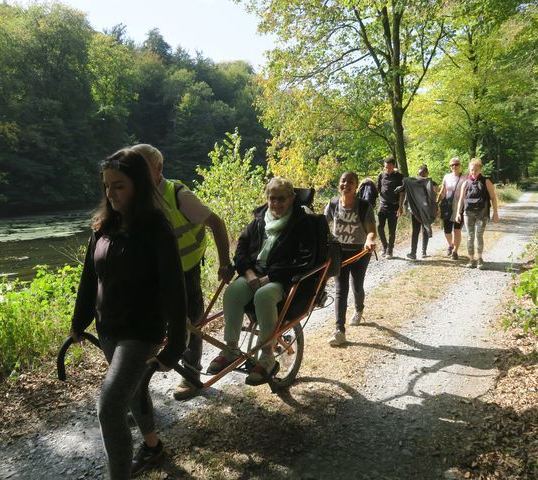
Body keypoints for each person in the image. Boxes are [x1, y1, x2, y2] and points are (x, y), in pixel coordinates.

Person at [69, 148, 187, 479]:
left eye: (119, 185)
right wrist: (79, 322)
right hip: (109, 329)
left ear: (138, 184)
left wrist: (175, 345)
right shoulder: (103, 226)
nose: (111, 193)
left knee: (108, 407)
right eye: (106, 186)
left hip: (142, 332)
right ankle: (153, 445)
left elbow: (174, 292)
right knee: (133, 392)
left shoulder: (156, 229)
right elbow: (90, 277)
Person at [132, 144, 234, 401]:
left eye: (141, 167)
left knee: (192, 321)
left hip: (185, 268)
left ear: (158, 169)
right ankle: (136, 385)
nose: (136, 173)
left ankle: (190, 373)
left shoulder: (178, 194)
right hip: (152, 273)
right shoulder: (134, 195)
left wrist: (224, 262)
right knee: (146, 323)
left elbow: (216, 223)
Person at [206, 177, 317, 385]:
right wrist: (248, 274)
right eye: (271, 199)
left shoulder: (303, 223)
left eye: (281, 199)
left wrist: (269, 277)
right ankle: (231, 348)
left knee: (264, 296)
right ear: (266, 199)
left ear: (292, 198)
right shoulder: (259, 219)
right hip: (254, 273)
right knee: (231, 294)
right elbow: (241, 249)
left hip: (283, 279)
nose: (276, 204)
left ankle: (267, 356)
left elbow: (304, 259)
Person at [324, 171, 377, 346]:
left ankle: (359, 308)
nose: (346, 184)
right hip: (339, 252)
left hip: (360, 252)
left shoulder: (363, 206)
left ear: (356, 186)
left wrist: (369, 241)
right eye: (343, 181)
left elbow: (371, 230)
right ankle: (340, 330)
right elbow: (322, 226)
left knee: (357, 285)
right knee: (341, 289)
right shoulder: (332, 204)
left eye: (350, 182)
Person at [456, 158, 500, 270]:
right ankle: (471, 259)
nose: (473, 172)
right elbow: (461, 199)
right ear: (469, 170)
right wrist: (458, 213)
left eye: (475, 170)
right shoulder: (465, 182)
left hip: (482, 213)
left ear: (480, 169)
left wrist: (495, 213)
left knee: (479, 236)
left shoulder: (486, 181)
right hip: (468, 213)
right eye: (471, 170)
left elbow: (493, 198)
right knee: (470, 237)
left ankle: (480, 259)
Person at [406, 164, 438, 260]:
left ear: (427, 173)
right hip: (415, 212)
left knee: (425, 230)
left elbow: (433, 199)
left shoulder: (433, 184)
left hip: (426, 211)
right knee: (415, 232)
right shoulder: (414, 184)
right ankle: (413, 252)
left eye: (423, 174)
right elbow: (409, 197)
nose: (421, 176)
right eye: (420, 174)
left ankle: (424, 251)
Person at [437, 157, 465, 260]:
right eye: (452, 165)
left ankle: (455, 252)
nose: (454, 166)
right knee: (447, 231)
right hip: (447, 206)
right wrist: (437, 203)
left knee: (457, 230)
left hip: (460, 206)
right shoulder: (446, 177)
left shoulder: (465, 177)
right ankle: (451, 245)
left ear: (460, 165)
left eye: (456, 164)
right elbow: (442, 191)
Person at [376, 157, 405, 259]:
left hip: (394, 206)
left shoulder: (399, 176)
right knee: (379, 227)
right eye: (385, 167)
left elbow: (402, 193)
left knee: (392, 230)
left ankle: (390, 251)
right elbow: (378, 188)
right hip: (383, 205)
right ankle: (385, 247)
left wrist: (400, 207)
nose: (387, 169)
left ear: (393, 166)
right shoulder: (381, 175)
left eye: (389, 167)